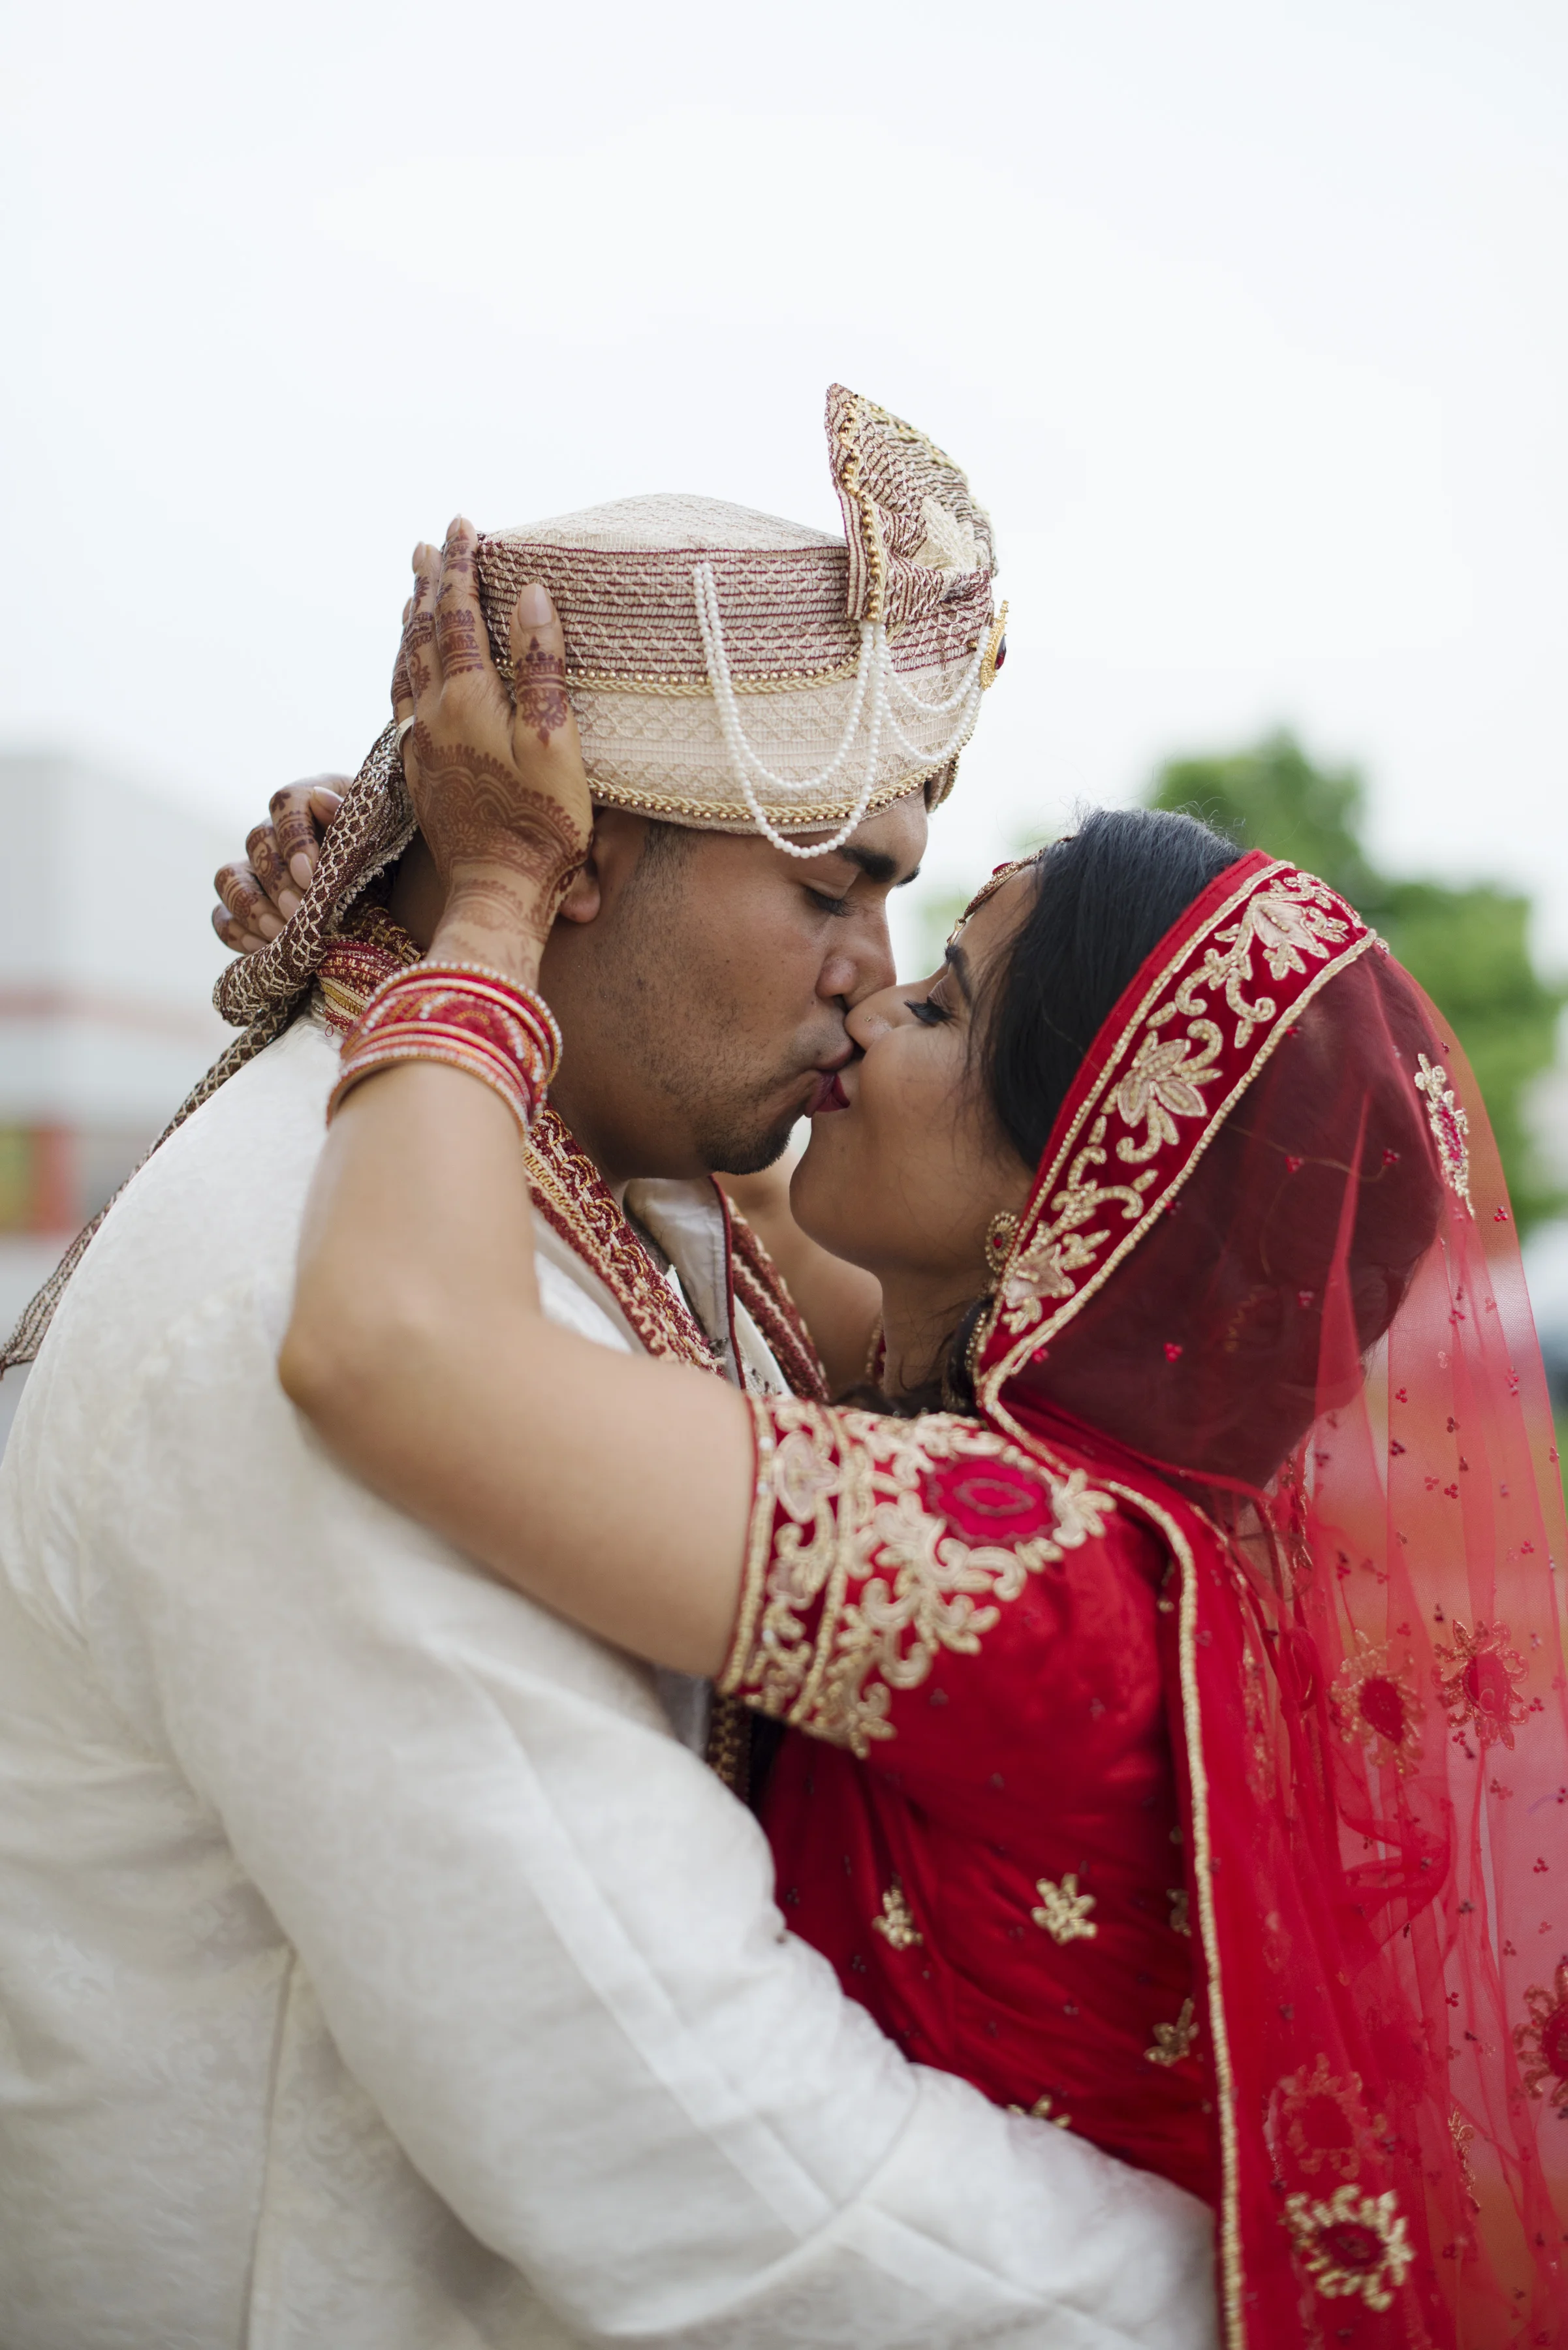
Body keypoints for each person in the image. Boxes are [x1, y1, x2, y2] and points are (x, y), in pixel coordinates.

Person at [0, 390, 1217, 2350]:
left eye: (910, 915)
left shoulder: (611, 1203)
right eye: (833, 888)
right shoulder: (306, 1278)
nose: (872, 980)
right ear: (571, 858)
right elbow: (703, 2152)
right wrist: (1279, 2297)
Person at [281, 548, 1568, 2348]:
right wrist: (373, 914)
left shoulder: (1011, 1559)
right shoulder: (1096, 1491)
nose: (871, 1006)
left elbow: (394, 1345)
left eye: (946, 1008)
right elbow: (701, 1132)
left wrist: (488, 903)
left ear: (1078, 1199)